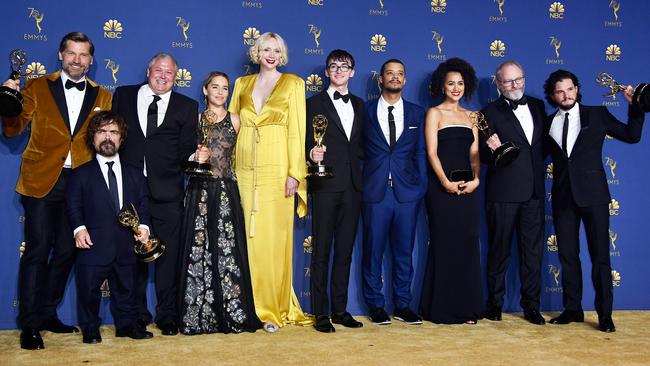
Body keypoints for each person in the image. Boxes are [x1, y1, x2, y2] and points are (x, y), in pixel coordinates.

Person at [1, 32, 112, 350]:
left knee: (67, 251)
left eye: (84, 55)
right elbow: (14, 128)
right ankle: (30, 324)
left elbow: (104, 140)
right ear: (61, 55)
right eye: (72, 53)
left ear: (91, 60)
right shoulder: (36, 86)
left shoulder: (103, 95)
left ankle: (48, 312)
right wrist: (8, 102)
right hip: (41, 180)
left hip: (80, 185)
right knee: (37, 251)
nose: (77, 60)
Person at [543, 69, 644, 333]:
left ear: (577, 89)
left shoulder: (597, 114)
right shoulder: (548, 122)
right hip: (563, 198)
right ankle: (573, 309)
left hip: (594, 197)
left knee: (600, 257)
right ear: (552, 95)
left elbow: (632, 136)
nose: (566, 95)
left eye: (570, 89)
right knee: (567, 256)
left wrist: (636, 108)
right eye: (559, 91)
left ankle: (605, 315)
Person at [228, 32, 312, 332]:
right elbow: (232, 128)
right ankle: (245, 307)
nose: (271, 54)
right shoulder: (242, 84)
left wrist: (294, 173)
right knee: (246, 239)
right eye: (266, 49)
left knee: (273, 241)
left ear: (283, 53)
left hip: (277, 169)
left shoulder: (293, 83)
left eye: (276, 49)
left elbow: (296, 130)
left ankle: (271, 309)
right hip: (244, 169)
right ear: (256, 52)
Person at [112, 53, 198, 336]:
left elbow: (186, 151)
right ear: (148, 70)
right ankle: (134, 314)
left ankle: (167, 316)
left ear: (176, 76)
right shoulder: (123, 96)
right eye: (158, 70)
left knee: (168, 258)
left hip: (169, 193)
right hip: (130, 191)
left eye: (169, 73)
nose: (163, 76)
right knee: (130, 256)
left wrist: (198, 157)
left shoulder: (187, 106)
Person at [178, 72, 262, 334]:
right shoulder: (194, 119)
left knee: (227, 251)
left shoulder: (236, 120)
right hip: (199, 190)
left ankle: (231, 312)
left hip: (226, 190)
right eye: (215, 87)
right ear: (205, 90)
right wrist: (196, 156)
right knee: (198, 249)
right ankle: (199, 315)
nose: (220, 92)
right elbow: (181, 155)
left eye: (225, 88)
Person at [65, 111, 153, 344]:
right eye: (102, 132)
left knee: (127, 289)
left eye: (113, 132)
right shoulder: (80, 174)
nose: (107, 137)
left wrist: (144, 226)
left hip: (126, 244)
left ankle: (126, 326)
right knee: (88, 291)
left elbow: (144, 203)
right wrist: (78, 229)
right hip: (93, 244)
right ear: (93, 138)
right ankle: (90, 329)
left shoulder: (135, 174)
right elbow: (73, 205)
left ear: (121, 139)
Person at [480, 61, 547, 325]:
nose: (514, 85)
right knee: (499, 250)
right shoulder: (488, 112)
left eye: (518, 79)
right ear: (498, 84)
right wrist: (490, 149)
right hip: (503, 193)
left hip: (534, 193)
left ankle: (531, 306)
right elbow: (483, 157)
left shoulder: (539, 106)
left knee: (532, 254)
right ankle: (494, 305)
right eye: (508, 81)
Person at [362, 59, 427, 326]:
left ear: (405, 79)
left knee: (403, 252)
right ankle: (375, 305)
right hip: (375, 193)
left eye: (400, 74)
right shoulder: (364, 111)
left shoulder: (416, 112)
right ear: (381, 79)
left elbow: (421, 152)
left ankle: (403, 304)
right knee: (372, 251)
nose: (395, 78)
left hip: (406, 195)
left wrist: (421, 185)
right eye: (390, 73)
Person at [419, 58, 482, 324]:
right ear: (442, 86)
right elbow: (431, 152)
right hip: (441, 189)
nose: (455, 88)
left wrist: (476, 179)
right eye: (450, 83)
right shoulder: (434, 113)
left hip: (469, 189)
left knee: (467, 245)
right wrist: (444, 182)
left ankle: (467, 308)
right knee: (444, 244)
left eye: (460, 83)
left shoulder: (473, 116)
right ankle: (441, 309)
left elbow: (475, 154)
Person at [306, 50, 365, 333]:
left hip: (353, 187)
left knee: (344, 251)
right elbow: (303, 141)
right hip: (325, 184)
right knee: (321, 252)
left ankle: (340, 310)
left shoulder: (361, 105)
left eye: (345, 66)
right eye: (334, 66)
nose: (339, 70)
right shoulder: (311, 104)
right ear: (327, 72)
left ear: (353, 72)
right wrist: (311, 154)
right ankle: (320, 313)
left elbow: (363, 146)